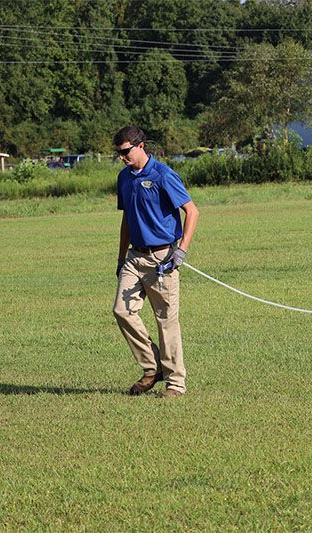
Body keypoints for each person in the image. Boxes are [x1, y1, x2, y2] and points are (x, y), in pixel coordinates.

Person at [112, 125, 199, 398]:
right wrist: (120, 256)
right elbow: (127, 219)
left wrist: (181, 250)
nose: (121, 157)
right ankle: (152, 367)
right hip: (134, 257)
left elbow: (192, 212)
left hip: (163, 259)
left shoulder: (163, 175)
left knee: (166, 322)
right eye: (118, 153)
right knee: (121, 311)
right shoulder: (124, 178)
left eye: (125, 151)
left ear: (140, 146)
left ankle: (175, 384)